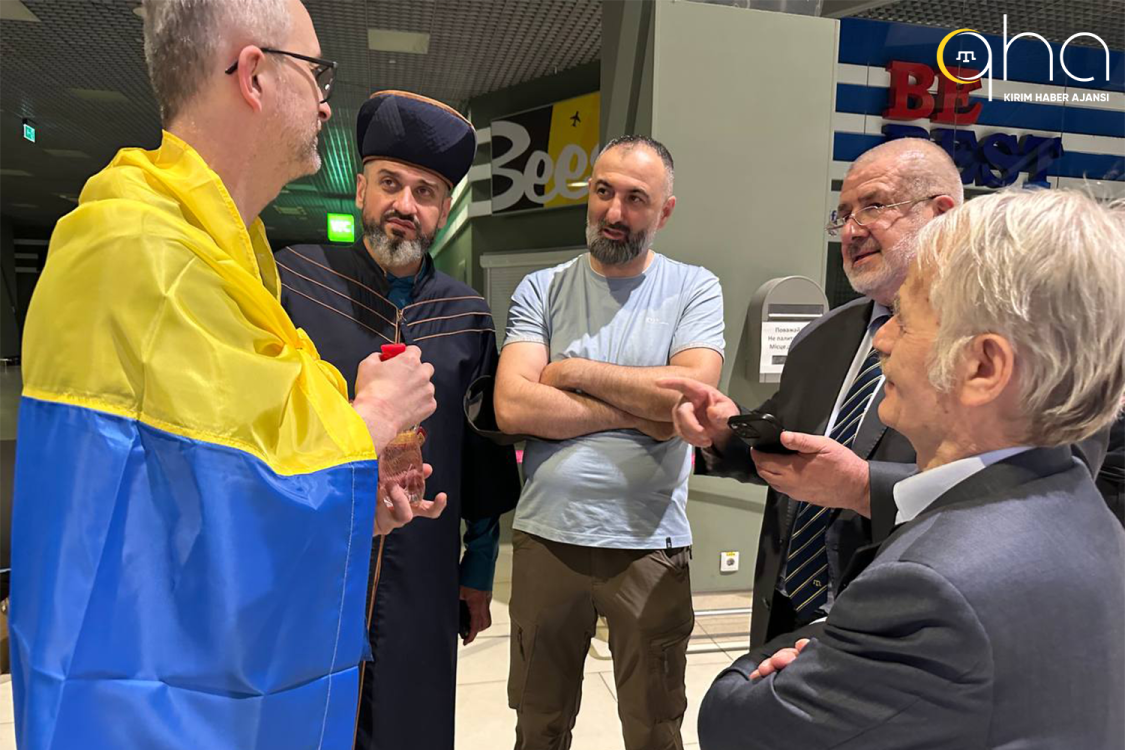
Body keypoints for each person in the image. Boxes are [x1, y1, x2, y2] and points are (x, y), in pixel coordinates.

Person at [9, 2, 444, 748]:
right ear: (253, 75)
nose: (326, 103)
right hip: (149, 713)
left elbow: (196, 518)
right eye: (315, 74)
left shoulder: (230, 259)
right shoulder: (140, 255)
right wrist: (373, 415)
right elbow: (181, 515)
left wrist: (353, 505)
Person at [697, 187, 1125, 749]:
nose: (882, 338)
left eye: (904, 316)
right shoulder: (1081, 507)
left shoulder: (931, 589)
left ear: (983, 367)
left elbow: (735, 723)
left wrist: (818, 641)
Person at [275, 90, 521, 750]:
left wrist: (476, 572)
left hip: (425, 564)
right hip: (310, 558)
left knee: (412, 718)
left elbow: (483, 456)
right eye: (390, 183)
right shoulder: (295, 283)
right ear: (361, 190)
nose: (405, 205)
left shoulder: (467, 316)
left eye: (425, 191)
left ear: (444, 209)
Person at [663, 138, 960, 651]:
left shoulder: (985, 341)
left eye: (874, 206)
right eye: (842, 215)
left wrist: (864, 487)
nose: (851, 231)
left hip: (899, 630)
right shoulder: (821, 336)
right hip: (785, 612)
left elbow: (1010, 487)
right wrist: (725, 432)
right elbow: (792, 449)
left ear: (942, 214)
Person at [492, 135, 725, 750]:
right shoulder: (542, 288)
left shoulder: (694, 288)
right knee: (538, 725)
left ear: (664, 211)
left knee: (654, 729)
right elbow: (513, 405)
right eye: (603, 192)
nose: (615, 212)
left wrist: (569, 371)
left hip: (650, 546)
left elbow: (686, 401)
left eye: (636, 198)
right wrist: (641, 412)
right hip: (547, 538)